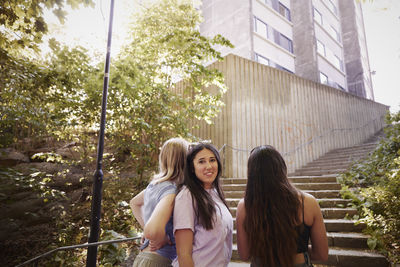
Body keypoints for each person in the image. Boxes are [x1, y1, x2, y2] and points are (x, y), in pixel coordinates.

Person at [236, 145, 328, 267]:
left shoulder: (244, 206)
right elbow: (322, 254)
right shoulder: (308, 202)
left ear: (252, 173)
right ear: (282, 167)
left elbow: (244, 255)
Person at [129, 137, 189, 267]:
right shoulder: (172, 190)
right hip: (159, 260)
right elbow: (153, 230)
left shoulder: (155, 184)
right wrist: (159, 236)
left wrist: (146, 228)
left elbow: (134, 203)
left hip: (144, 257)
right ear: (185, 160)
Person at [172, 142, 233, 267]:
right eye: (201, 162)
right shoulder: (187, 196)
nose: (209, 166)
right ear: (192, 168)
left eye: (212, 160)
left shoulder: (215, 193)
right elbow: (184, 254)